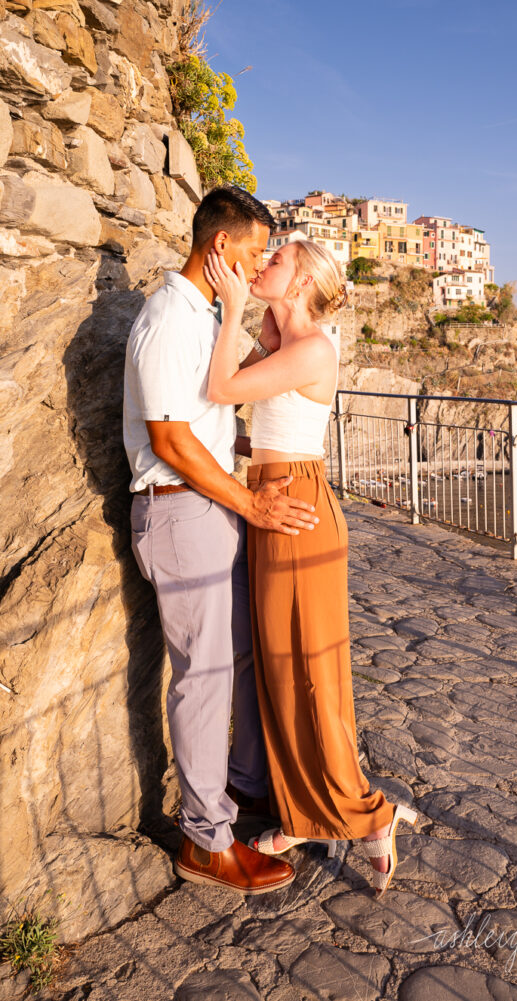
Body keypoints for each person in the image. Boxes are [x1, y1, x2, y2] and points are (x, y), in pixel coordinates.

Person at [204, 239, 417, 897]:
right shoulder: (287, 342)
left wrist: (236, 305)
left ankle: (366, 814)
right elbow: (239, 407)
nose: (261, 264)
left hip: (295, 508)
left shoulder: (315, 347)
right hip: (277, 496)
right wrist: (259, 325)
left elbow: (217, 387)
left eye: (276, 261)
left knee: (309, 673)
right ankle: (303, 809)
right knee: (280, 668)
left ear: (299, 280)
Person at [123, 186, 321, 895]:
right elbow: (169, 438)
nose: (258, 260)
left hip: (208, 507)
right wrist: (250, 502)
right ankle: (205, 840)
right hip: (180, 512)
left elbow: (202, 418)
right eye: (251, 249)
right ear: (218, 249)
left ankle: (239, 791)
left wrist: (250, 450)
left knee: (234, 658)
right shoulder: (167, 319)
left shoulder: (200, 314)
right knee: (203, 678)